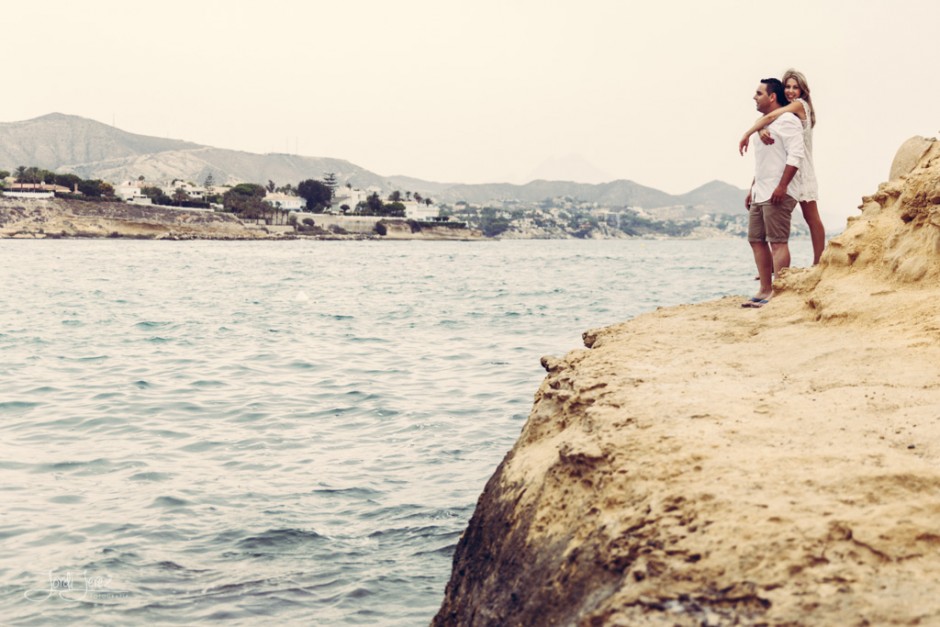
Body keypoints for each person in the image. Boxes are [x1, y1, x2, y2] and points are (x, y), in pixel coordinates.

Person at [739, 69, 825, 264]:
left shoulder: (799, 106)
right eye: (787, 86)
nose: (790, 91)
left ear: (803, 91)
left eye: (795, 87)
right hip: (787, 166)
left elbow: (768, 117)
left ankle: (819, 261)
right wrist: (760, 129)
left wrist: (749, 132)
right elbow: (767, 119)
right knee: (791, 219)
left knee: (811, 216)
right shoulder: (785, 113)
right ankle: (774, 268)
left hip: (802, 168)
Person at [741, 78, 805, 308]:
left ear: (772, 97)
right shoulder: (764, 125)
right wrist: (752, 187)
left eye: (758, 93)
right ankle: (765, 288)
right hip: (761, 190)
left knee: (777, 242)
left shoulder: (789, 120)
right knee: (756, 240)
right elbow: (765, 161)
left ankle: (779, 292)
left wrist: (782, 186)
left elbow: (795, 156)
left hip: (778, 191)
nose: (754, 97)